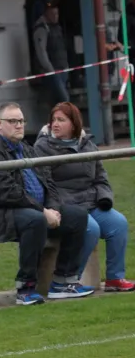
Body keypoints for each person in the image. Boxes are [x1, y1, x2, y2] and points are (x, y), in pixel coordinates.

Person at [0, 102, 94, 305]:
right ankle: (26, 287)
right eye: (12, 121)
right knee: (34, 220)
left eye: (21, 121)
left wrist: (52, 207)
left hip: (31, 209)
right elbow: (6, 193)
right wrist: (43, 211)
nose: (19, 125)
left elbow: (48, 182)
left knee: (78, 216)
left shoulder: (26, 148)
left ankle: (63, 282)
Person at [34, 102, 134, 292]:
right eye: (53, 120)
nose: (55, 124)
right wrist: (64, 208)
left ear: (74, 124)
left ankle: (115, 279)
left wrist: (104, 198)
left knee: (118, 223)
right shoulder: (42, 147)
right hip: (66, 207)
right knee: (91, 229)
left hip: (91, 202)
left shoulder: (88, 145)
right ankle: (68, 281)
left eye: (61, 120)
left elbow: (101, 177)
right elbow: (47, 186)